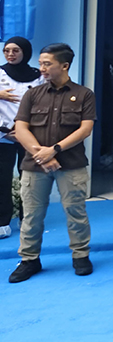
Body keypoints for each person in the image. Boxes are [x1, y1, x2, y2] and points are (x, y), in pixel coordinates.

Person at [9, 43, 96, 283]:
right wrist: (41, 155)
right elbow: (21, 128)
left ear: (64, 65)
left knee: (75, 211)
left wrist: (54, 150)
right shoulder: (32, 94)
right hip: (35, 165)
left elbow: (85, 129)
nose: (42, 68)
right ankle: (29, 259)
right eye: (41, 64)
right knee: (32, 215)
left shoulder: (84, 94)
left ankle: (80, 255)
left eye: (47, 64)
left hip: (71, 164)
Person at [0, 38, 43, 240]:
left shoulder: (38, 76)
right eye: (6, 50)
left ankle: (28, 219)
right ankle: (2, 221)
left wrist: (25, 132)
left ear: (25, 52)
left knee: (30, 179)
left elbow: (45, 105)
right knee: (2, 179)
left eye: (15, 50)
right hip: (3, 136)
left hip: (31, 136)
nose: (10, 54)